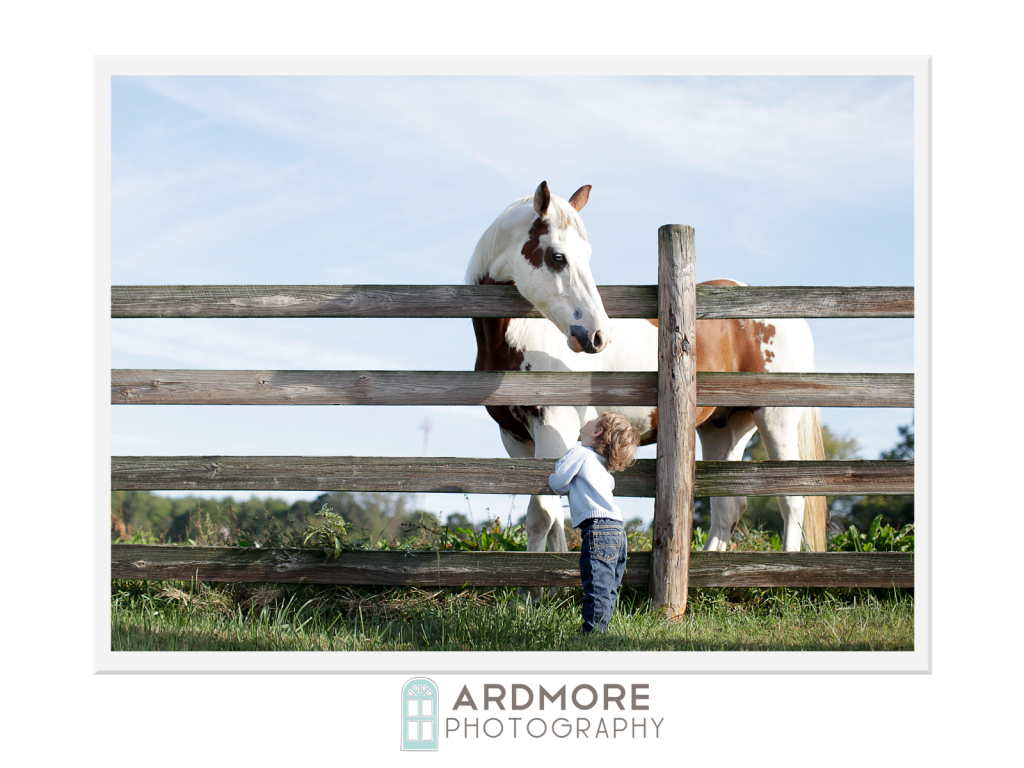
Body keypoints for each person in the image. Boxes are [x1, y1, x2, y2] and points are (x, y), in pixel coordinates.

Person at [548, 412, 641, 633]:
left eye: (594, 419)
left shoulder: (580, 453)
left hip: (598, 529)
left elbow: (559, 483)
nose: (588, 418)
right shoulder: (604, 468)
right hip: (617, 530)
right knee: (608, 588)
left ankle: (593, 634)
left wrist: (554, 477)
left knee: (596, 586)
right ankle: (602, 629)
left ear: (596, 431)